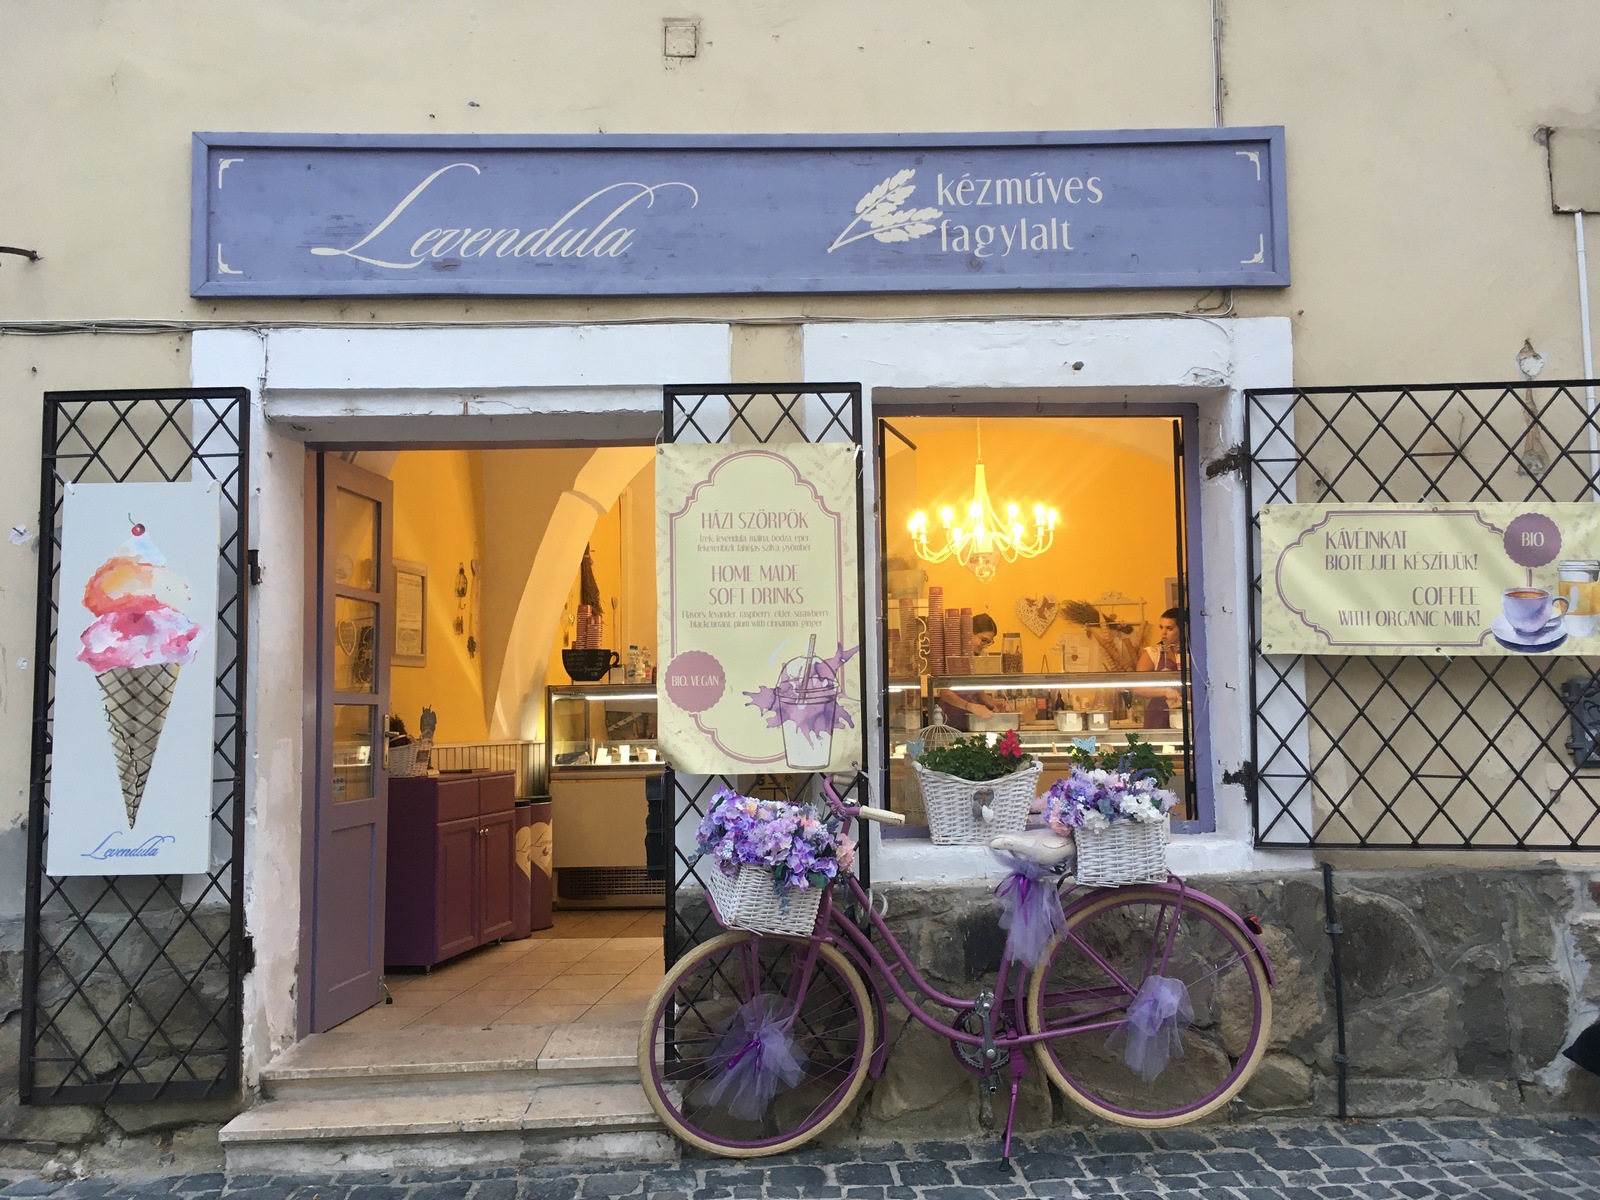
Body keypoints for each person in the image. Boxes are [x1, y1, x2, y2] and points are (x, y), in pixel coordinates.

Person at [935, 613, 1007, 730]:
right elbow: (945, 693)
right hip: (950, 720)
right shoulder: (953, 653)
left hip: (971, 721)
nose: (985, 646)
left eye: (989, 642)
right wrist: (970, 706)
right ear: (969, 633)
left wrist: (992, 702)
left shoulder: (977, 657)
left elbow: (976, 691)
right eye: (983, 640)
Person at [1137, 607, 1186, 729]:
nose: (1163, 633)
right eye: (1161, 627)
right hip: (1158, 716)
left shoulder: (1192, 654)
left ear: (1183, 629)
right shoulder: (1152, 653)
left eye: (1169, 628)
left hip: (1186, 714)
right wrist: (1164, 692)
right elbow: (1137, 687)